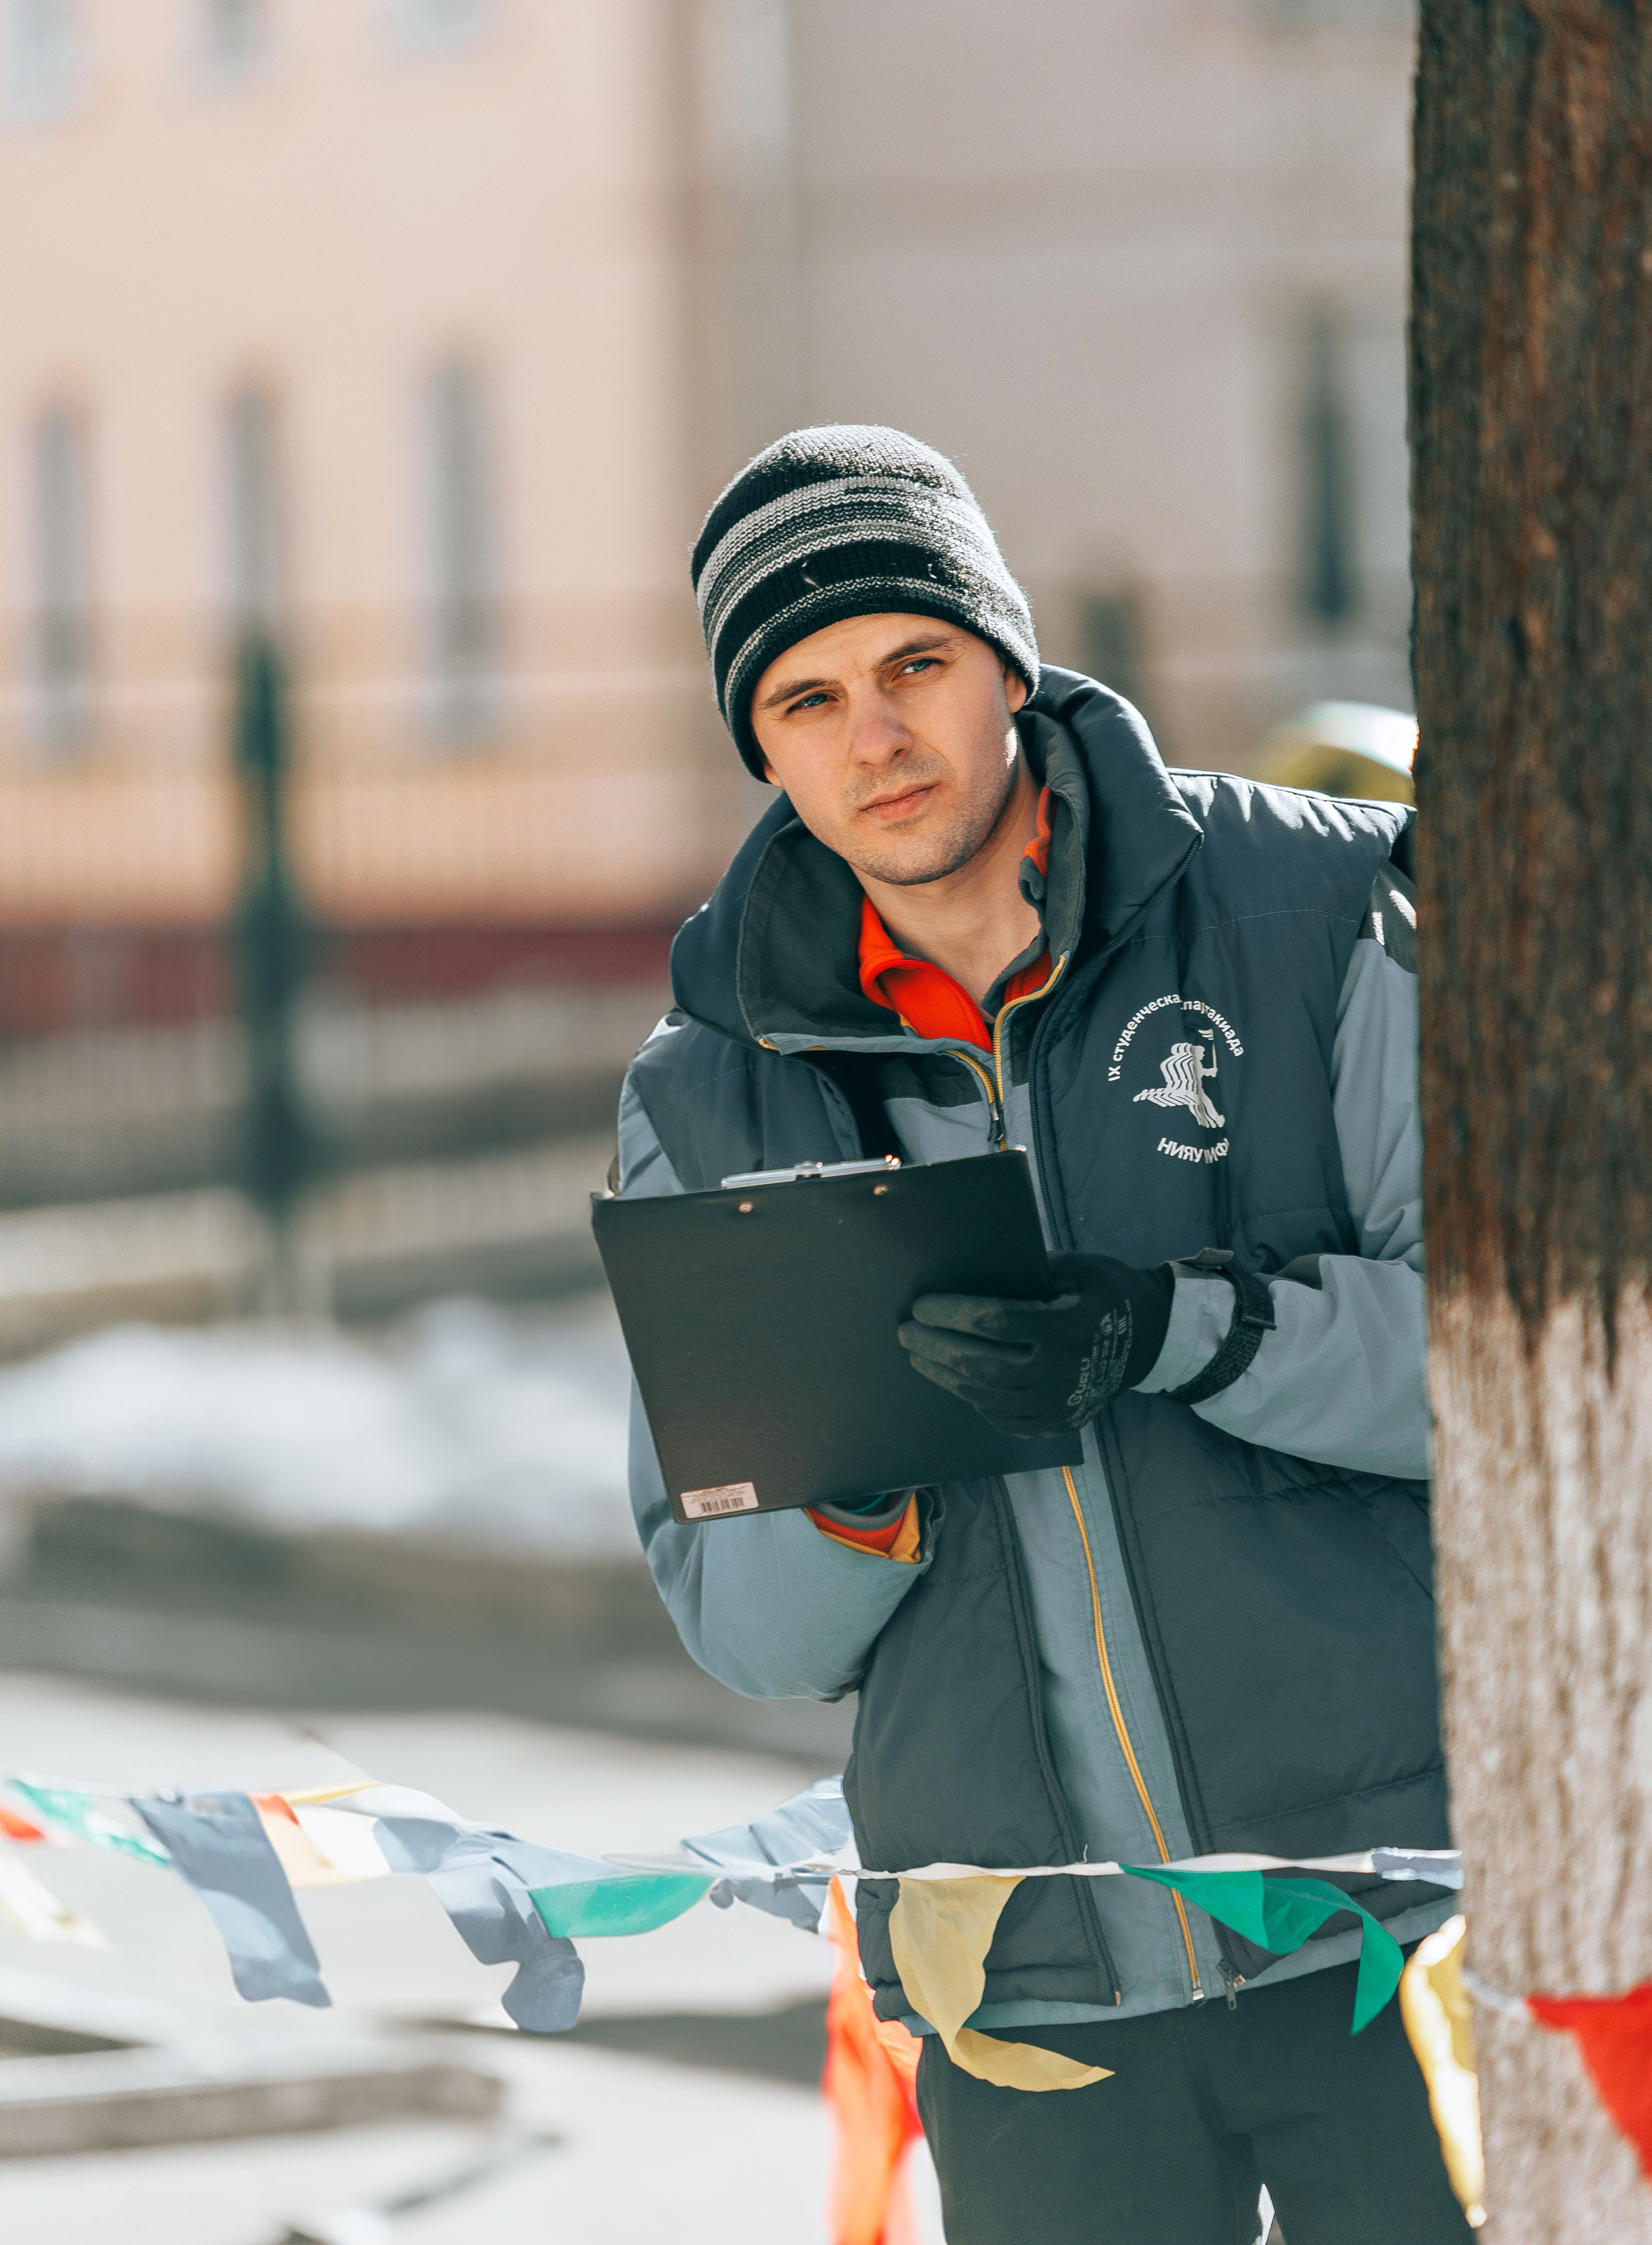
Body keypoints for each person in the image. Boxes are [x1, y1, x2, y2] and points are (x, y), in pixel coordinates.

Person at [613, 425, 1460, 2243]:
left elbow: (1518, 1389)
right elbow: (740, 1629)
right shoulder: (710, 1094)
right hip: (1024, 1985)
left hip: (1388, 1926)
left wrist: (1183, 1331)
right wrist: (856, 1488)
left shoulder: (1317, 917)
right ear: (759, 745)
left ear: (1009, 662)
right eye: (807, 697)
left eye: (915, 663)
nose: (876, 737)